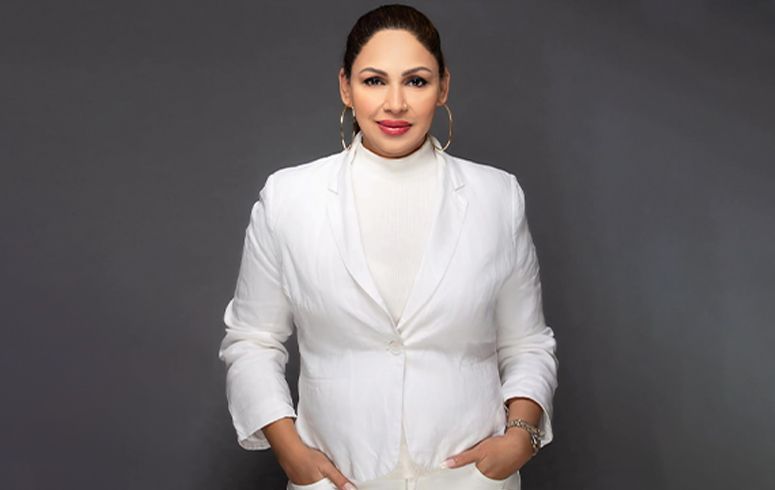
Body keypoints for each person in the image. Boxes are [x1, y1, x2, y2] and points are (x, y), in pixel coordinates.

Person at [218, 4, 558, 490]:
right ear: (345, 87)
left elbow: (527, 342)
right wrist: (290, 452)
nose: (395, 103)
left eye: (416, 81)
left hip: (470, 479)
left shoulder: (497, 197)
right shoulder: (288, 198)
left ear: (443, 87)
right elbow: (252, 340)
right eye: (374, 80)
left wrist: (522, 436)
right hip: (339, 477)